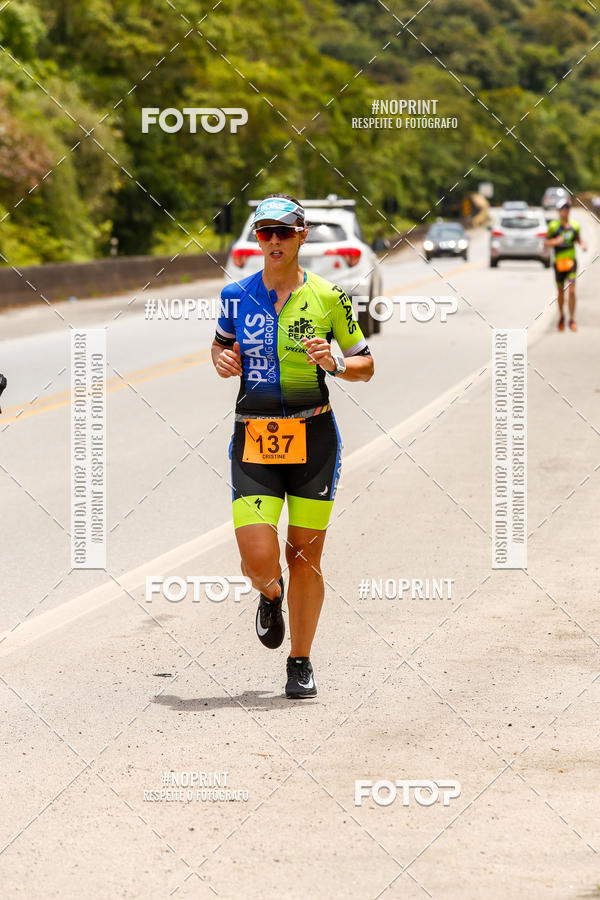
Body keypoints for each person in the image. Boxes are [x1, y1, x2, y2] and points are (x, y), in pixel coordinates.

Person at [211, 193, 374, 698]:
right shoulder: (235, 295)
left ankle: (299, 661)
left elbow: (366, 364)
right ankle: (269, 592)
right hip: (254, 437)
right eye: (265, 232)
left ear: (302, 235)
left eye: (284, 232)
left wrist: (336, 364)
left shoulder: (330, 297)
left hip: (314, 436)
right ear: (257, 239)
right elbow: (220, 345)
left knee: (305, 555)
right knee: (258, 556)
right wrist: (219, 360)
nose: (274, 241)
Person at [545, 196, 587, 332]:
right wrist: (554, 242)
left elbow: (578, 239)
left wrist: (583, 244)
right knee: (560, 291)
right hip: (558, 262)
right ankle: (562, 315)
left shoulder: (575, 225)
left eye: (568, 208)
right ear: (558, 211)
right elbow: (545, 243)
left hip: (571, 261)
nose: (566, 211)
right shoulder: (553, 226)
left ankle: (572, 319)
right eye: (563, 209)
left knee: (572, 290)